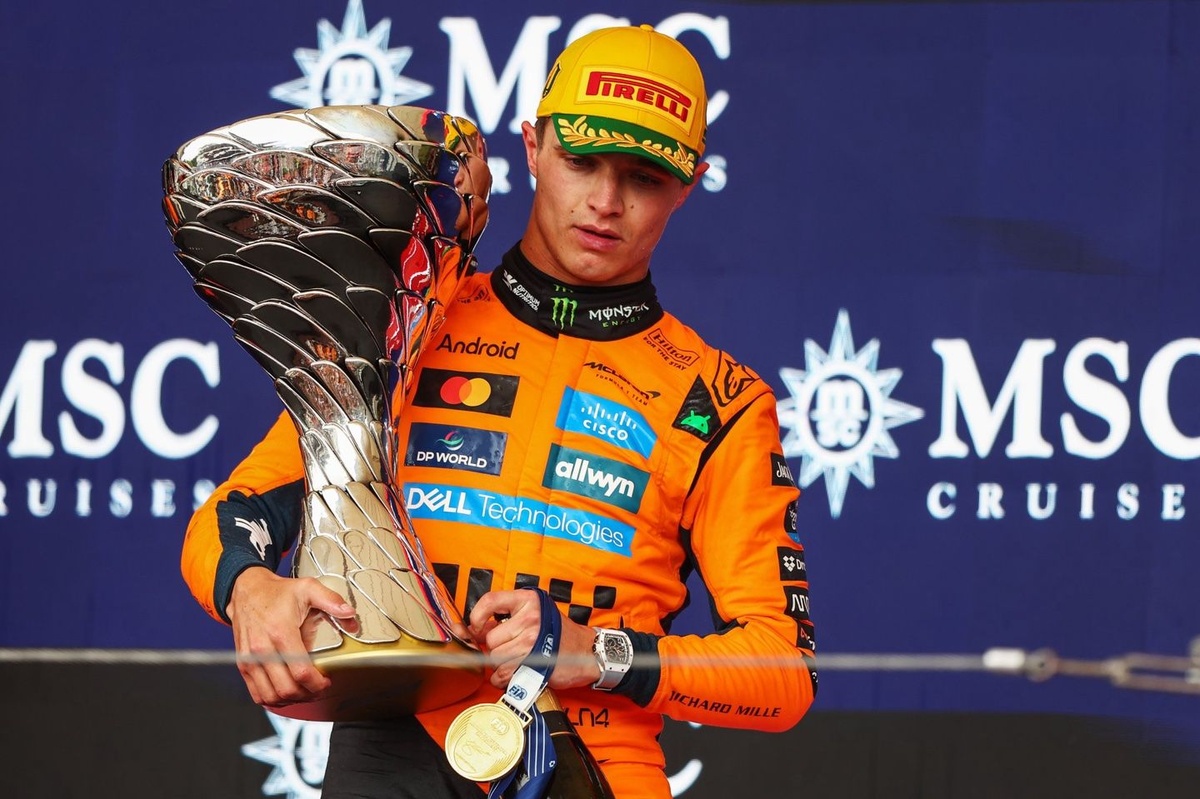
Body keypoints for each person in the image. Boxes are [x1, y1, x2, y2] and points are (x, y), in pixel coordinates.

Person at [181, 24, 816, 799]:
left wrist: (599, 653)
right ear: (533, 146)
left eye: (644, 178)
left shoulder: (719, 401)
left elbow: (784, 672)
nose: (605, 202)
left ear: (690, 185)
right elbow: (237, 511)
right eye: (581, 161)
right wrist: (249, 587)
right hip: (394, 748)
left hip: (593, 767)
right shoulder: (406, 323)